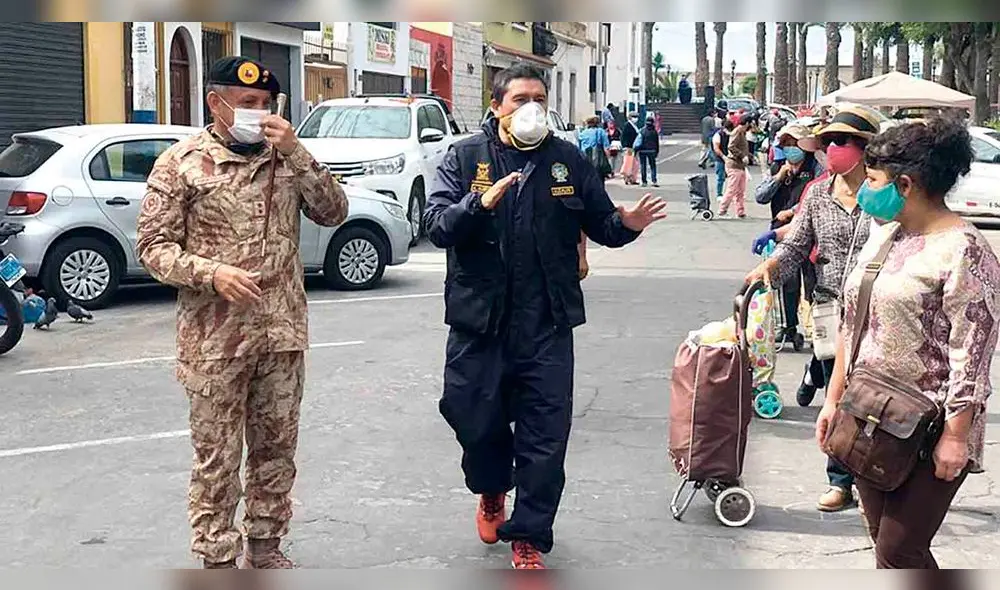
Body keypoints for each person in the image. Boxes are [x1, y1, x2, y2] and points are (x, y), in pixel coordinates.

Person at [423, 63, 667, 569]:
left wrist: (628, 225)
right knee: (472, 417)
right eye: (520, 98)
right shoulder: (465, 156)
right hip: (480, 324)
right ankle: (492, 487)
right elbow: (437, 226)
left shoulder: (567, 160)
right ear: (497, 106)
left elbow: (601, 222)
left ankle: (529, 534)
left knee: (545, 437)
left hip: (546, 324)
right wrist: (477, 203)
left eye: (539, 97)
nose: (531, 107)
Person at [136, 56, 349, 569]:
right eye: (248, 104)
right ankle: (216, 559)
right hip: (214, 343)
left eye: (266, 105)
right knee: (218, 460)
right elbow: (152, 246)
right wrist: (212, 274)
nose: (259, 113)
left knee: (276, 453)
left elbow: (334, 211)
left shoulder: (287, 159)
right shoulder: (181, 163)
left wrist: (297, 151)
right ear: (217, 103)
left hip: (281, 335)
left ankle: (266, 547)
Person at [816, 116, 1000, 569]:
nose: (864, 189)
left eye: (873, 180)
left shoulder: (965, 251)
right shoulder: (886, 236)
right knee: (885, 544)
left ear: (905, 184)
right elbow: (851, 322)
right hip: (869, 414)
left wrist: (956, 437)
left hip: (929, 428)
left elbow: (971, 356)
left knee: (900, 550)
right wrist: (833, 399)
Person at [746, 105, 881, 513]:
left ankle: (877, 479)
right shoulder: (818, 194)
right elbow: (795, 246)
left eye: (842, 141)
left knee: (875, 400)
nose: (833, 149)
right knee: (836, 397)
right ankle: (840, 481)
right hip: (827, 308)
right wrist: (767, 270)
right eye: (828, 142)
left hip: (879, 313)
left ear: (866, 148)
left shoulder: (886, 195)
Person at [753, 124, 823, 346]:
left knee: (813, 282)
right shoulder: (777, 168)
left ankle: (818, 329)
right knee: (787, 282)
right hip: (782, 234)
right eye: (787, 145)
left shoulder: (816, 167)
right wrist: (778, 177)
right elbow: (760, 196)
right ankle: (790, 326)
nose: (791, 149)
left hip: (812, 233)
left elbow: (819, 194)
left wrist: (793, 212)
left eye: (795, 144)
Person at [719, 113, 754, 218]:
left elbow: (741, 147)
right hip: (734, 164)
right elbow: (731, 147)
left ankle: (740, 211)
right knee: (732, 189)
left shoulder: (742, 132)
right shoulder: (737, 132)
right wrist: (742, 155)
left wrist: (749, 155)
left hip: (740, 165)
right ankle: (722, 210)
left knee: (740, 190)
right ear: (747, 123)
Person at [578, 115, 611, 180]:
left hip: (585, 160)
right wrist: (608, 159)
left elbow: (579, 148)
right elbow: (606, 148)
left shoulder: (583, 133)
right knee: (599, 180)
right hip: (597, 161)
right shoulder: (601, 132)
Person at [711, 116, 733, 198]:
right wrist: (723, 157)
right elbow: (716, 148)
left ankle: (730, 194)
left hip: (730, 158)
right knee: (721, 177)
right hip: (720, 159)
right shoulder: (718, 135)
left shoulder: (731, 134)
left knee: (732, 178)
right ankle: (719, 194)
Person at [637, 113, 660, 187]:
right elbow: (657, 142)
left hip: (642, 150)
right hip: (652, 150)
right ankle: (654, 180)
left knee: (643, 166)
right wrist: (657, 151)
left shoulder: (642, 131)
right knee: (653, 165)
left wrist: (637, 150)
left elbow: (638, 141)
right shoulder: (654, 132)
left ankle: (644, 181)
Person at [619, 112, 641, 185]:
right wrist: (624, 146)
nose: (636, 118)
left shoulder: (634, 126)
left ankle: (632, 178)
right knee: (628, 163)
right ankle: (627, 177)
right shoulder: (627, 125)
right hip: (629, 147)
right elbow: (623, 137)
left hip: (633, 147)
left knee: (634, 164)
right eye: (634, 117)